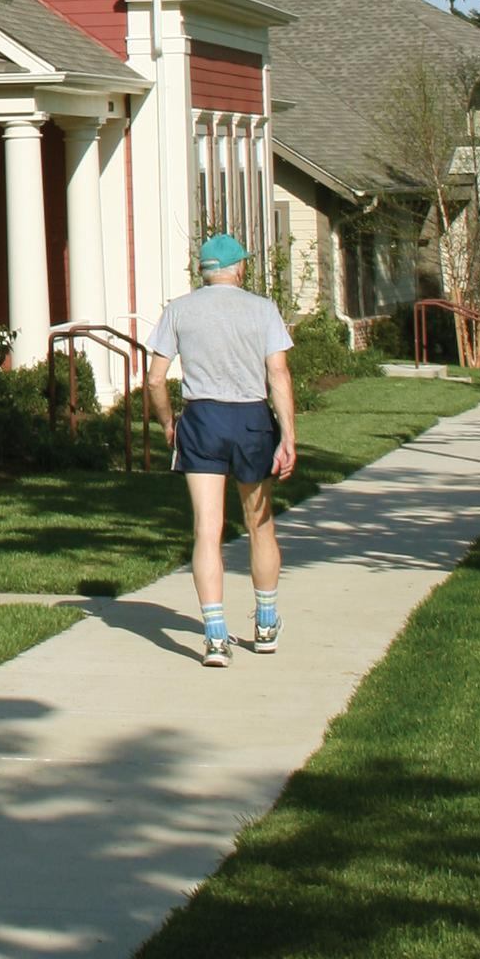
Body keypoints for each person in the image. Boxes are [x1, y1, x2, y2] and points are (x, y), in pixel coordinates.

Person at [143, 234, 297, 667]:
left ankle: (214, 638)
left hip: (202, 418)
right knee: (260, 525)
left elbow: (155, 380)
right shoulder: (262, 309)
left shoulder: (178, 309)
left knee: (206, 531)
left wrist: (169, 423)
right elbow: (278, 375)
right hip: (251, 420)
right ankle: (265, 625)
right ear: (239, 269)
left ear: (205, 271)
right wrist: (287, 436)